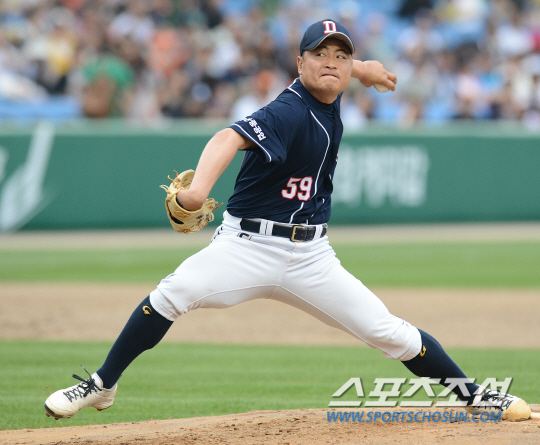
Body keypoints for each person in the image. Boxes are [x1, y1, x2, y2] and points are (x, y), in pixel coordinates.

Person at [44, 19, 531, 422]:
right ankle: (102, 384)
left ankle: (475, 398)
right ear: (299, 63)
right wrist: (196, 191)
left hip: (311, 257)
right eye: (320, 54)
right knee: (172, 294)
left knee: (390, 333)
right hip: (245, 248)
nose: (331, 63)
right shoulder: (289, 110)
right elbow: (228, 138)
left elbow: (340, 72)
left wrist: (365, 70)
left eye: (340, 56)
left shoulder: (331, 86)